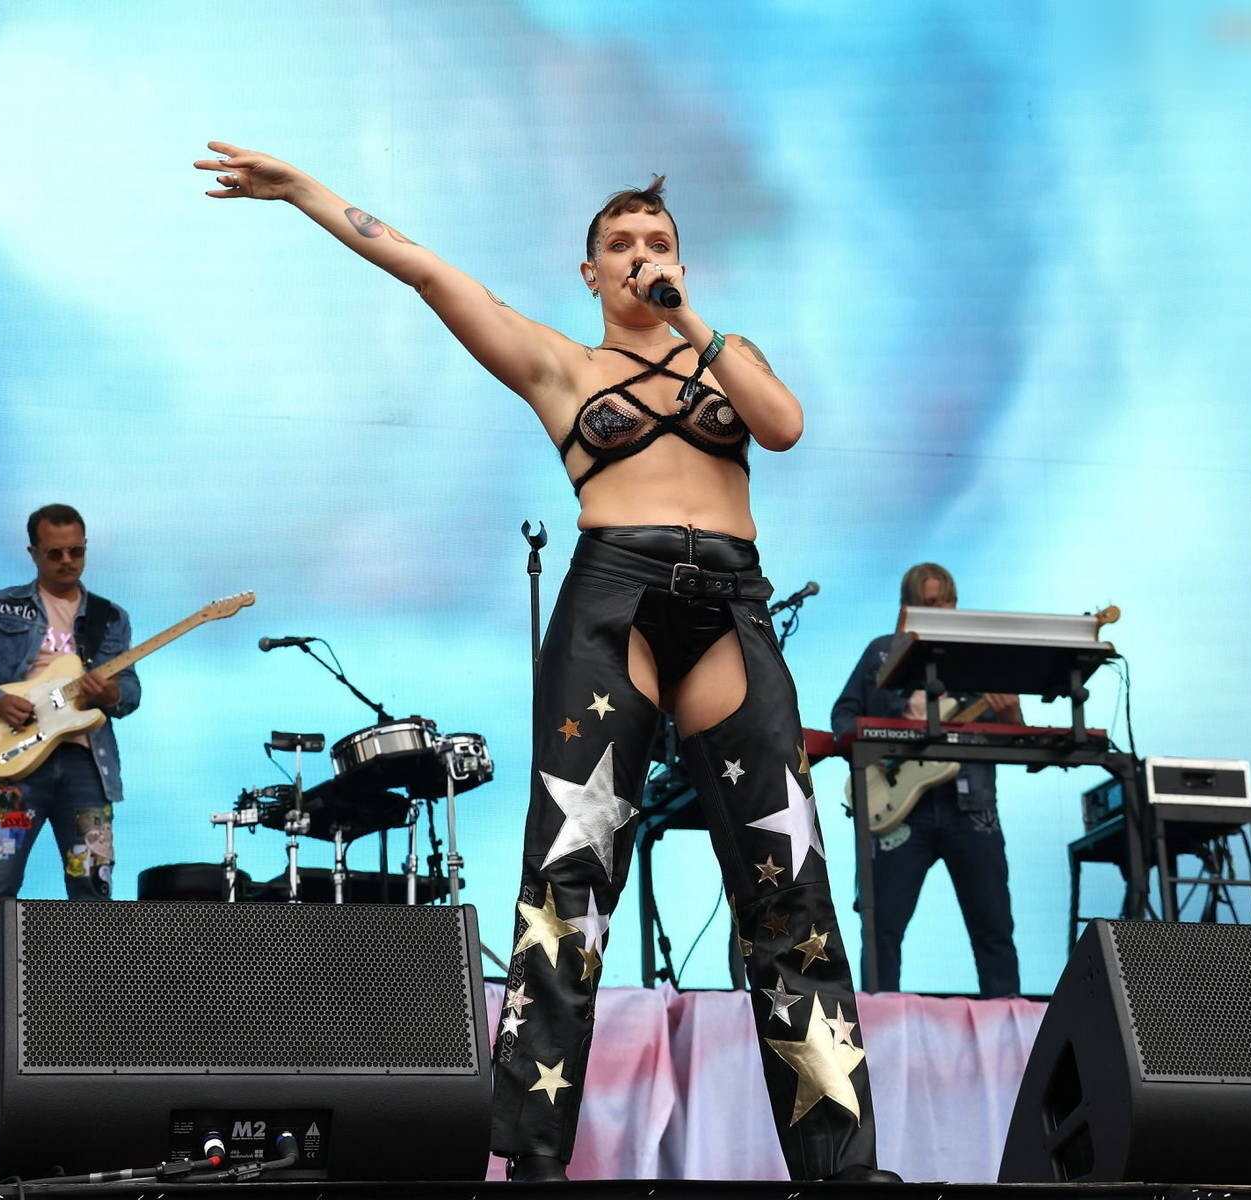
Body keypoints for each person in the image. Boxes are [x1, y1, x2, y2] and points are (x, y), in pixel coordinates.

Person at [196, 143, 891, 1182]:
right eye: (622, 243)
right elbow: (429, 272)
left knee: (787, 881)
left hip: (730, 601)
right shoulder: (562, 366)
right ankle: (529, 1158)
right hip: (616, 597)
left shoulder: (724, 352)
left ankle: (840, 1164)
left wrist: (694, 322)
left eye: (659, 241)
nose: (642, 254)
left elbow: (784, 428)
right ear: (590, 271)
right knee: (570, 878)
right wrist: (303, 191)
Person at [0, 504, 140, 982]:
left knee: (92, 890)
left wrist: (109, 693)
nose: (67, 561)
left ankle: (88, 1008)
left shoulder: (111, 617)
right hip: (18, 765)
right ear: (33, 552)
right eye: (55, 553)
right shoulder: (0, 607)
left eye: (76, 551)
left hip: (88, 766)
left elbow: (130, 692)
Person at [830, 562, 1021, 998]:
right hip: (900, 810)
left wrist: (1011, 712)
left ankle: (1008, 1023)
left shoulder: (981, 657)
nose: (941, 611)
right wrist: (897, 720)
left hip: (971, 808)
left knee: (994, 926)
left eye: (947, 603)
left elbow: (1013, 736)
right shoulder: (882, 653)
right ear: (907, 609)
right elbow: (843, 716)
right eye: (929, 604)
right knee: (882, 930)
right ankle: (878, 1021)